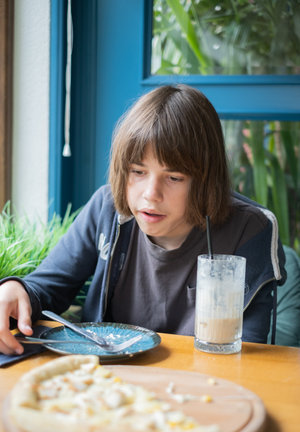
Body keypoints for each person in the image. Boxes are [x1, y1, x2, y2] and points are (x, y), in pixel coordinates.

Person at [0, 84, 286, 355]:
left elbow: (248, 351)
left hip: (201, 389)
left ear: (205, 180)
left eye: (174, 177)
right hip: (104, 386)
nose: (151, 194)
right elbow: (47, 288)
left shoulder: (250, 229)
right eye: (138, 171)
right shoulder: (106, 207)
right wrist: (15, 290)